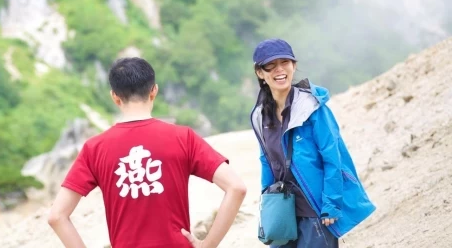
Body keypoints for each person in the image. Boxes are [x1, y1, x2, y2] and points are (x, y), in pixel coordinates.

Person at [48, 57, 247, 248]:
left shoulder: (95, 148)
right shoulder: (183, 137)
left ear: (115, 96)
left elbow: (57, 216)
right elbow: (236, 187)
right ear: (154, 91)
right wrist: (207, 245)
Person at [250, 38, 375, 247]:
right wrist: (267, 203)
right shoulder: (260, 116)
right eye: (270, 65)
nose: (279, 69)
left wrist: (331, 203)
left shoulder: (312, 107)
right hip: (282, 211)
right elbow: (266, 161)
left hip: (315, 209)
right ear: (260, 73)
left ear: (294, 65)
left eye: (285, 62)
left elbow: (333, 157)